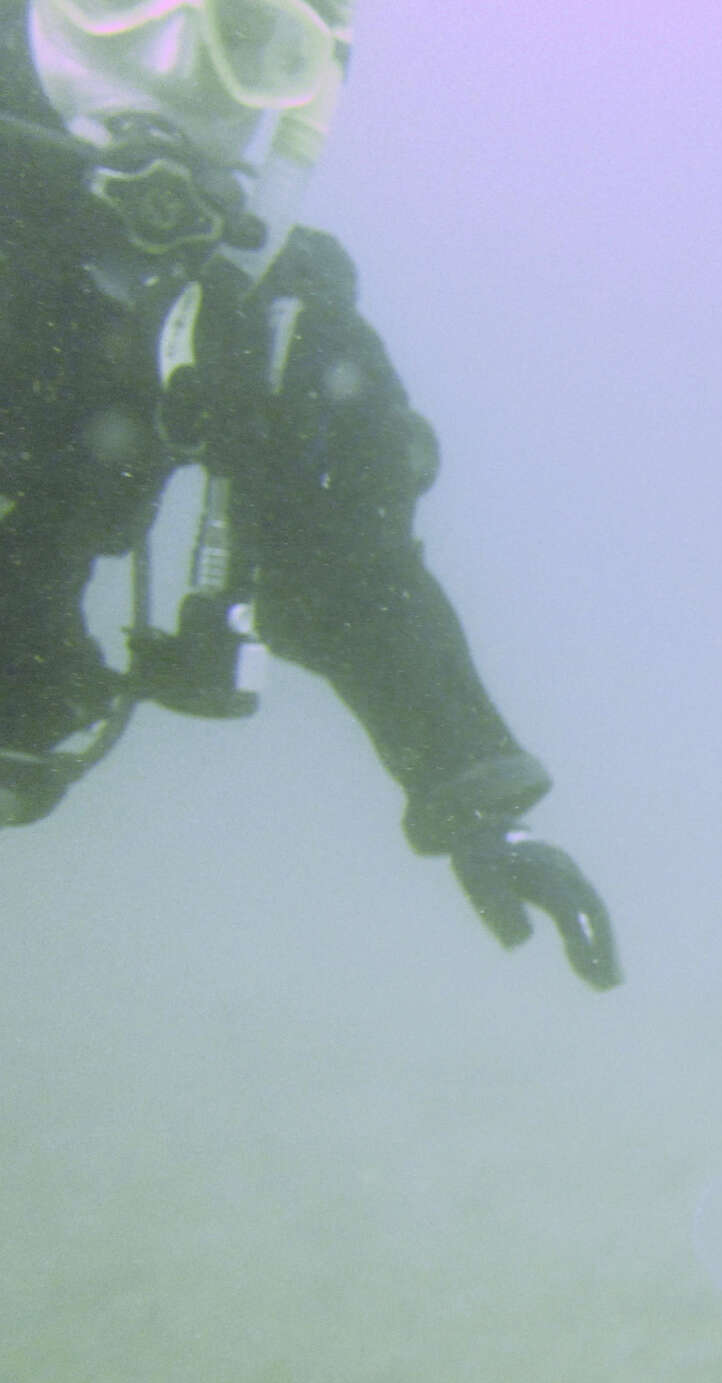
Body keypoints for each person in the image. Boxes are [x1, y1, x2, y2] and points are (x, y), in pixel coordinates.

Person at [0, 0, 621, 989]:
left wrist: (480, 809)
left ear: (305, 93)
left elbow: (349, 579)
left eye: (244, 38)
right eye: (114, 2)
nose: (163, 68)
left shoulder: (264, 327)